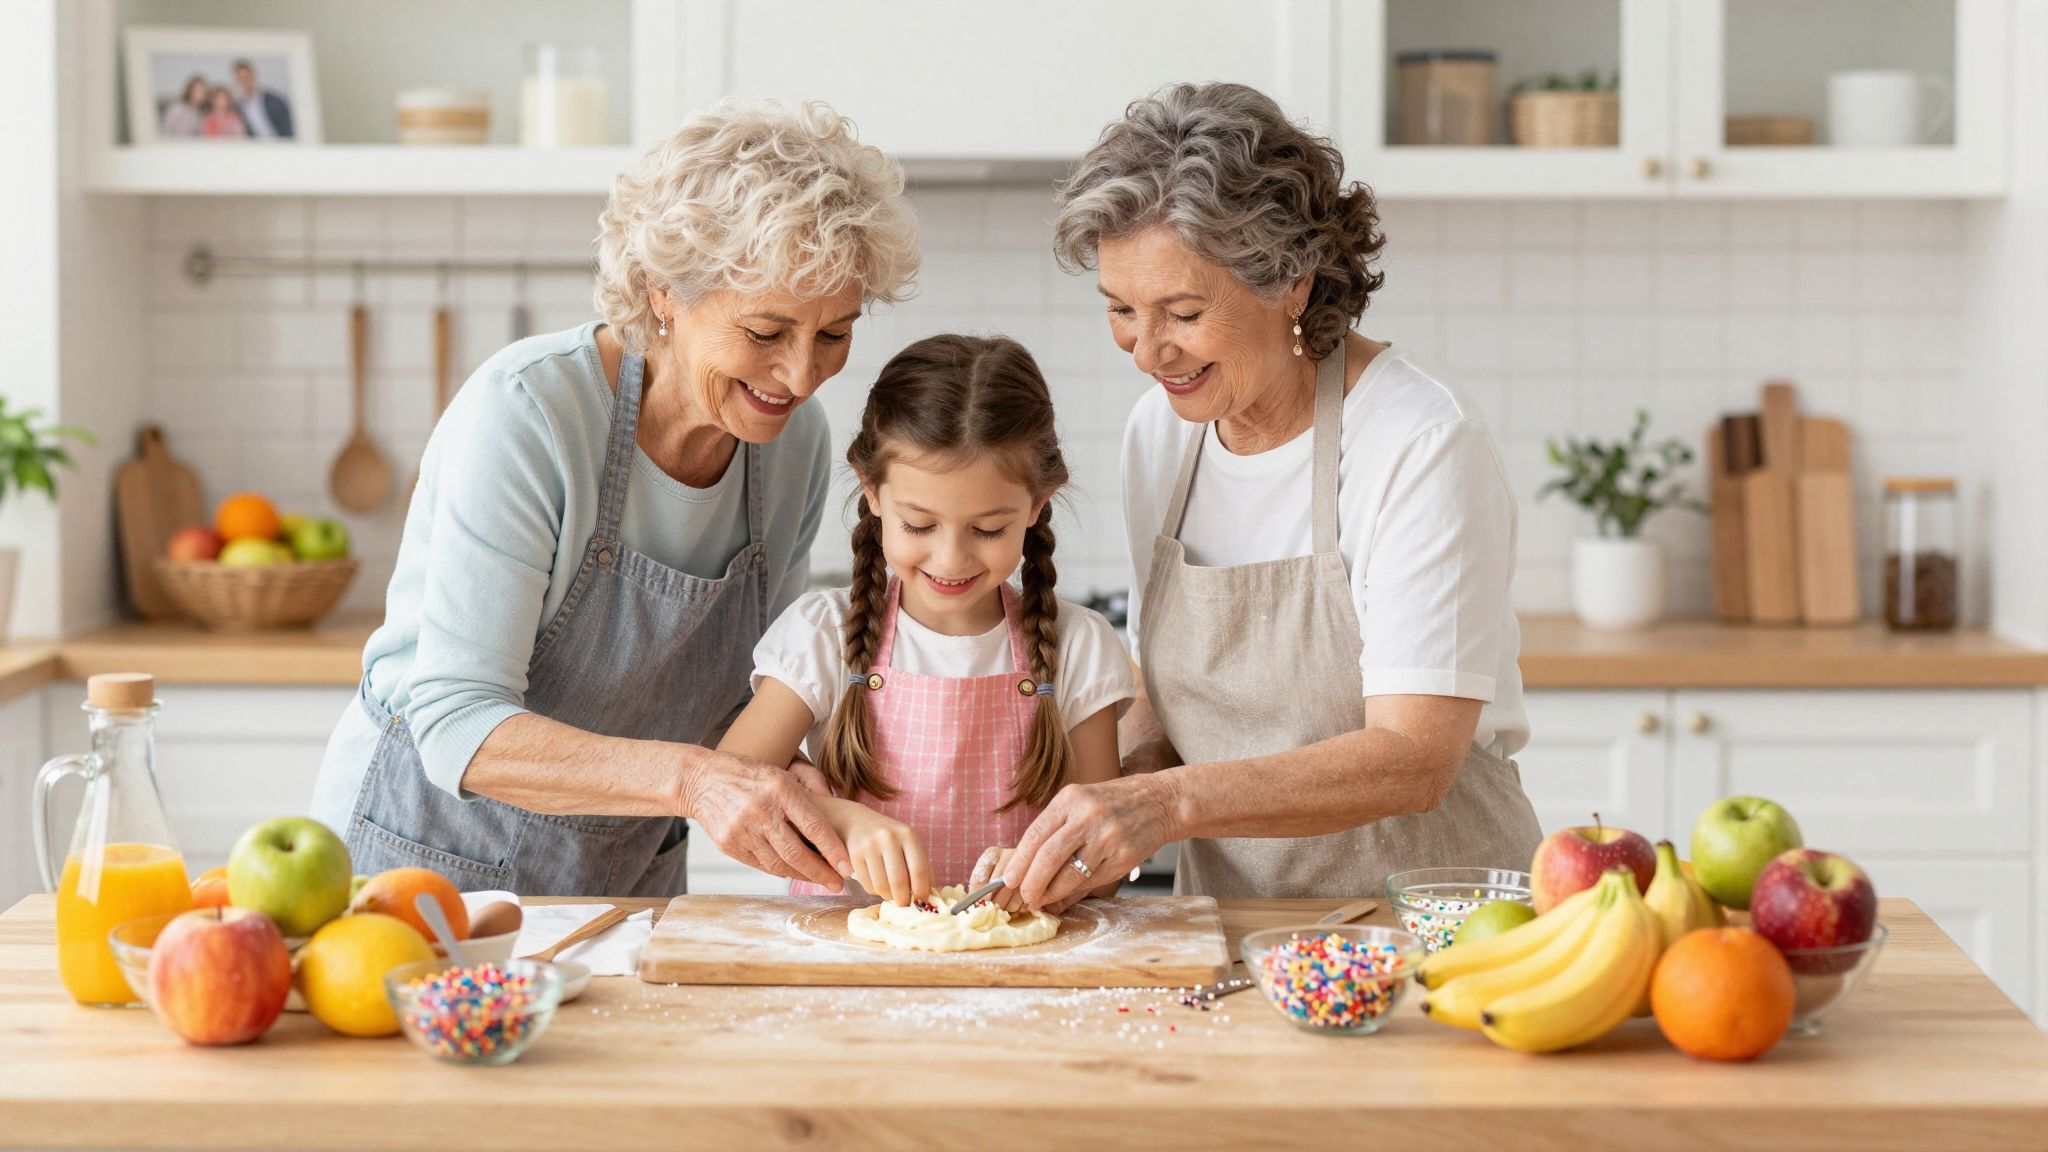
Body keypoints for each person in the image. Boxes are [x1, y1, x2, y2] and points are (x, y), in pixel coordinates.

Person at [309, 101, 920, 896]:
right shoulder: (529, 413)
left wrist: (830, 807)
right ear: (662, 290)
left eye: (834, 334)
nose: (801, 377)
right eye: (767, 333)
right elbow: (459, 725)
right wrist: (695, 782)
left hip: (623, 880)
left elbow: (739, 715)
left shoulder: (792, 446)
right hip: (421, 872)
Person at [999, 82, 1543, 909]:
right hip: (1229, 921)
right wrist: (1103, 813)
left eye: (1182, 311)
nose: (1147, 350)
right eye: (1120, 308)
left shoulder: (1418, 442)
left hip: (1436, 931)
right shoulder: (1162, 432)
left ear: (1292, 281)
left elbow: (1414, 757)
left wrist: (1165, 803)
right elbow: (1167, 688)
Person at [718, 335, 1133, 913]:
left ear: (1038, 504)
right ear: (873, 493)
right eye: (919, 525)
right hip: (840, 969)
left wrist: (1047, 869)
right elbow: (729, 792)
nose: (951, 559)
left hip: (1014, 969)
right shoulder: (823, 634)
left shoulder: (1079, 647)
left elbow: (1105, 865)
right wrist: (841, 818)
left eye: (988, 530)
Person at [231, 59, 293, 139]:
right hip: (258, 148)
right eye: (240, 79)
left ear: (253, 76)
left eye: (247, 77)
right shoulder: (239, 106)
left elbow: (288, 128)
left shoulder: (274, 100)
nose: (245, 82)